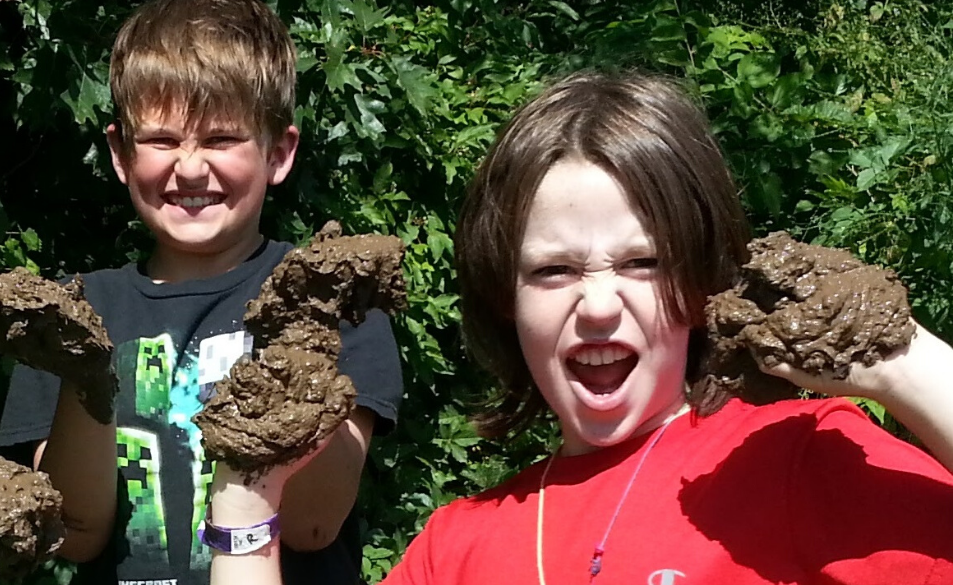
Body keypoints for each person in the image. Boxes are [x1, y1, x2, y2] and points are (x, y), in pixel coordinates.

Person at [207, 70, 953, 584]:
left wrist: (902, 356)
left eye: (642, 262)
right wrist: (246, 492)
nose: (597, 305)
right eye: (553, 271)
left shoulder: (806, 457)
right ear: (508, 298)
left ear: (698, 282)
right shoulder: (456, 545)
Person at [0, 1, 405, 584]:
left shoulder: (331, 297)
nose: (189, 168)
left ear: (279, 153)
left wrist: (306, 342)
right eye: (161, 139)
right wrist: (85, 370)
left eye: (222, 138)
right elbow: (77, 536)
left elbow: (314, 521)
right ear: (120, 154)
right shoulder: (69, 316)